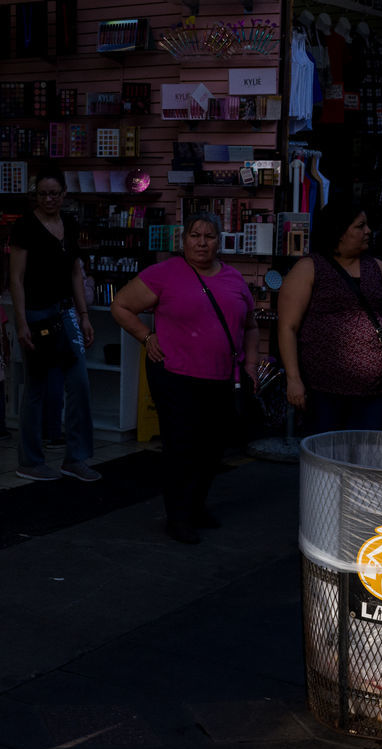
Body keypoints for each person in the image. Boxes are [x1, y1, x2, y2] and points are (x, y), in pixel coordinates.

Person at [110, 212, 258, 544]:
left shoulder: (234, 279)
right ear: (183, 240)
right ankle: (178, 517)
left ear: (220, 242)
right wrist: (147, 337)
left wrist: (250, 365)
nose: (202, 242)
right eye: (195, 235)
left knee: (212, 449)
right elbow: (120, 306)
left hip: (220, 377)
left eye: (209, 236)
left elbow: (250, 326)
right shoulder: (164, 274)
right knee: (181, 447)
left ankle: (196, 507)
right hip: (175, 375)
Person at [8, 169, 100, 483]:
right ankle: (30, 460)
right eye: (43, 193)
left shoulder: (70, 224)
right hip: (36, 314)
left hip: (64, 313)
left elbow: (76, 271)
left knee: (79, 384)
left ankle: (75, 458)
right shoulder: (24, 226)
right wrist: (20, 322)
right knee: (36, 387)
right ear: (36, 195)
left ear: (63, 195)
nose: (49, 199)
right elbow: (16, 279)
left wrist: (84, 315)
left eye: (54, 193)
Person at [277, 200, 382, 433]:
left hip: (374, 393)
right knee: (326, 460)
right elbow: (287, 328)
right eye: (360, 226)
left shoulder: (378, 269)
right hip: (323, 392)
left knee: (366, 459)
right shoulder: (308, 269)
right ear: (339, 232)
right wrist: (293, 379)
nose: (368, 231)